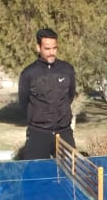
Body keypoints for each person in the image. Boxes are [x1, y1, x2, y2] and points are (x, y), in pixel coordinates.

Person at [17, 28, 76, 160]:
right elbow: (24, 102)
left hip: (64, 133)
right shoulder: (28, 73)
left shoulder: (67, 70)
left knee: (70, 171)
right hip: (38, 134)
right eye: (47, 49)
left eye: (54, 48)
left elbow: (70, 95)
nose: (51, 53)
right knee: (35, 172)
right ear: (38, 48)